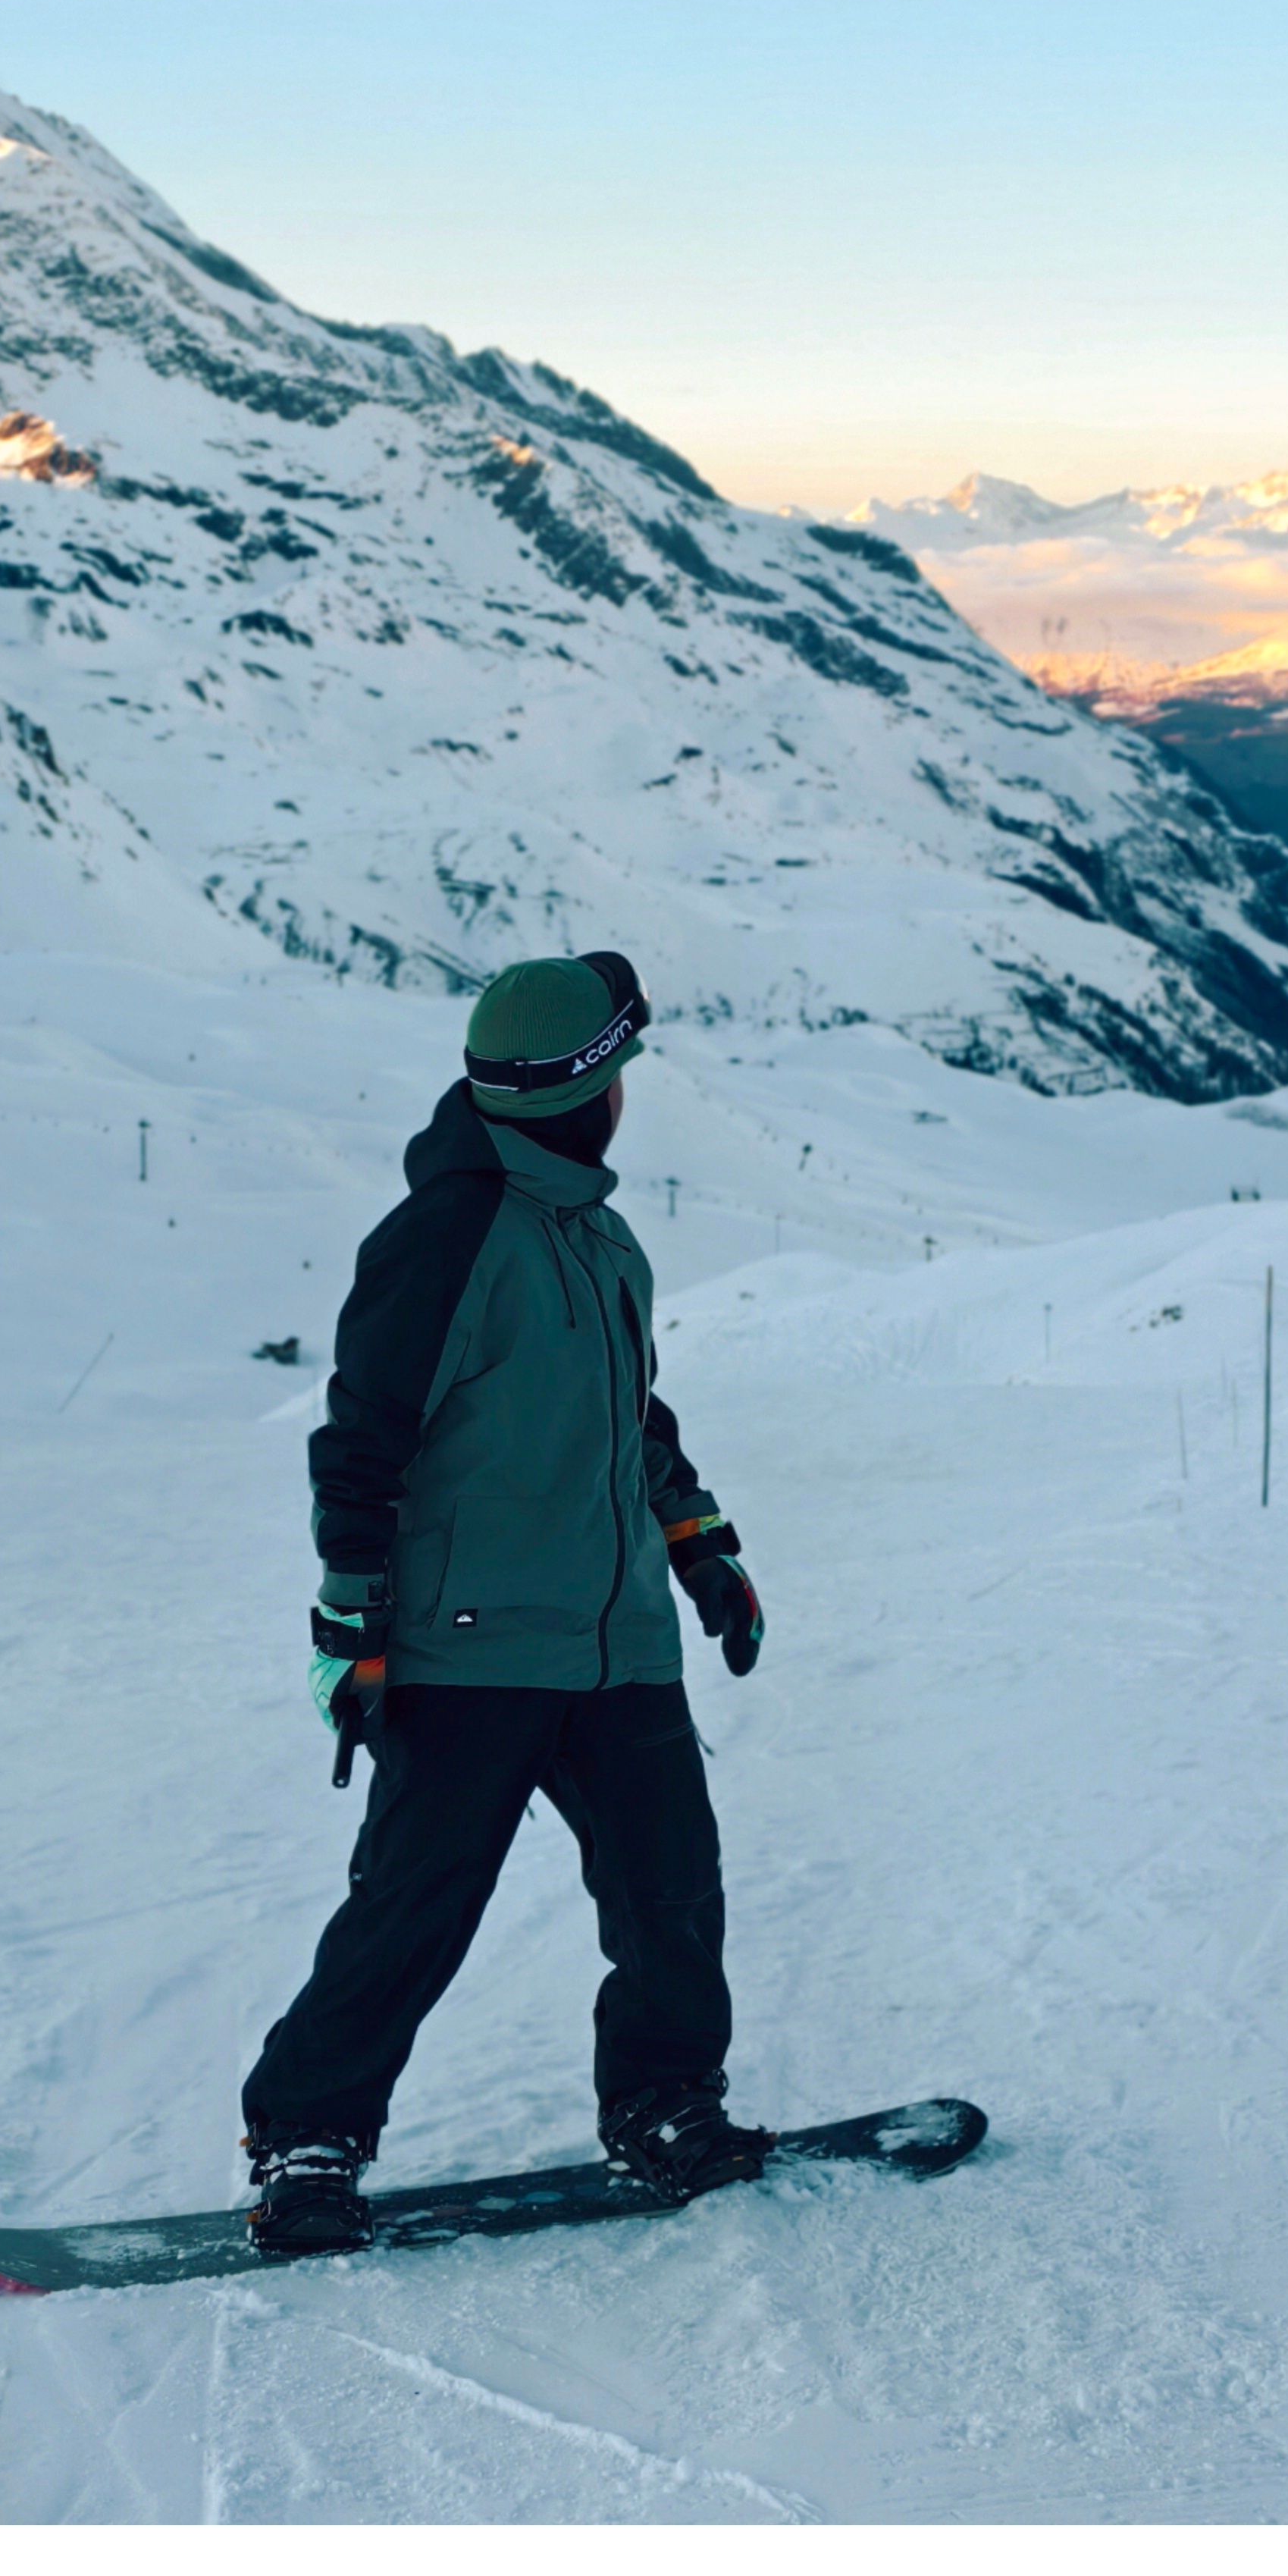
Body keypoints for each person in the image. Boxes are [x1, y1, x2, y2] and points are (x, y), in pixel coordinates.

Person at [239, 950, 768, 2257]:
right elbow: (363, 1439)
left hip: (618, 1643)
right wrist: (351, 1626)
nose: (631, 1098)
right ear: (586, 1091)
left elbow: (629, 1418)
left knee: (672, 1902)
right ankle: (309, 2137)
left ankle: (663, 2107)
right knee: (414, 1908)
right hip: (471, 1648)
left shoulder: (597, 1234)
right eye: (623, 1075)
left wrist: (700, 1547)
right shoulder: (450, 1236)